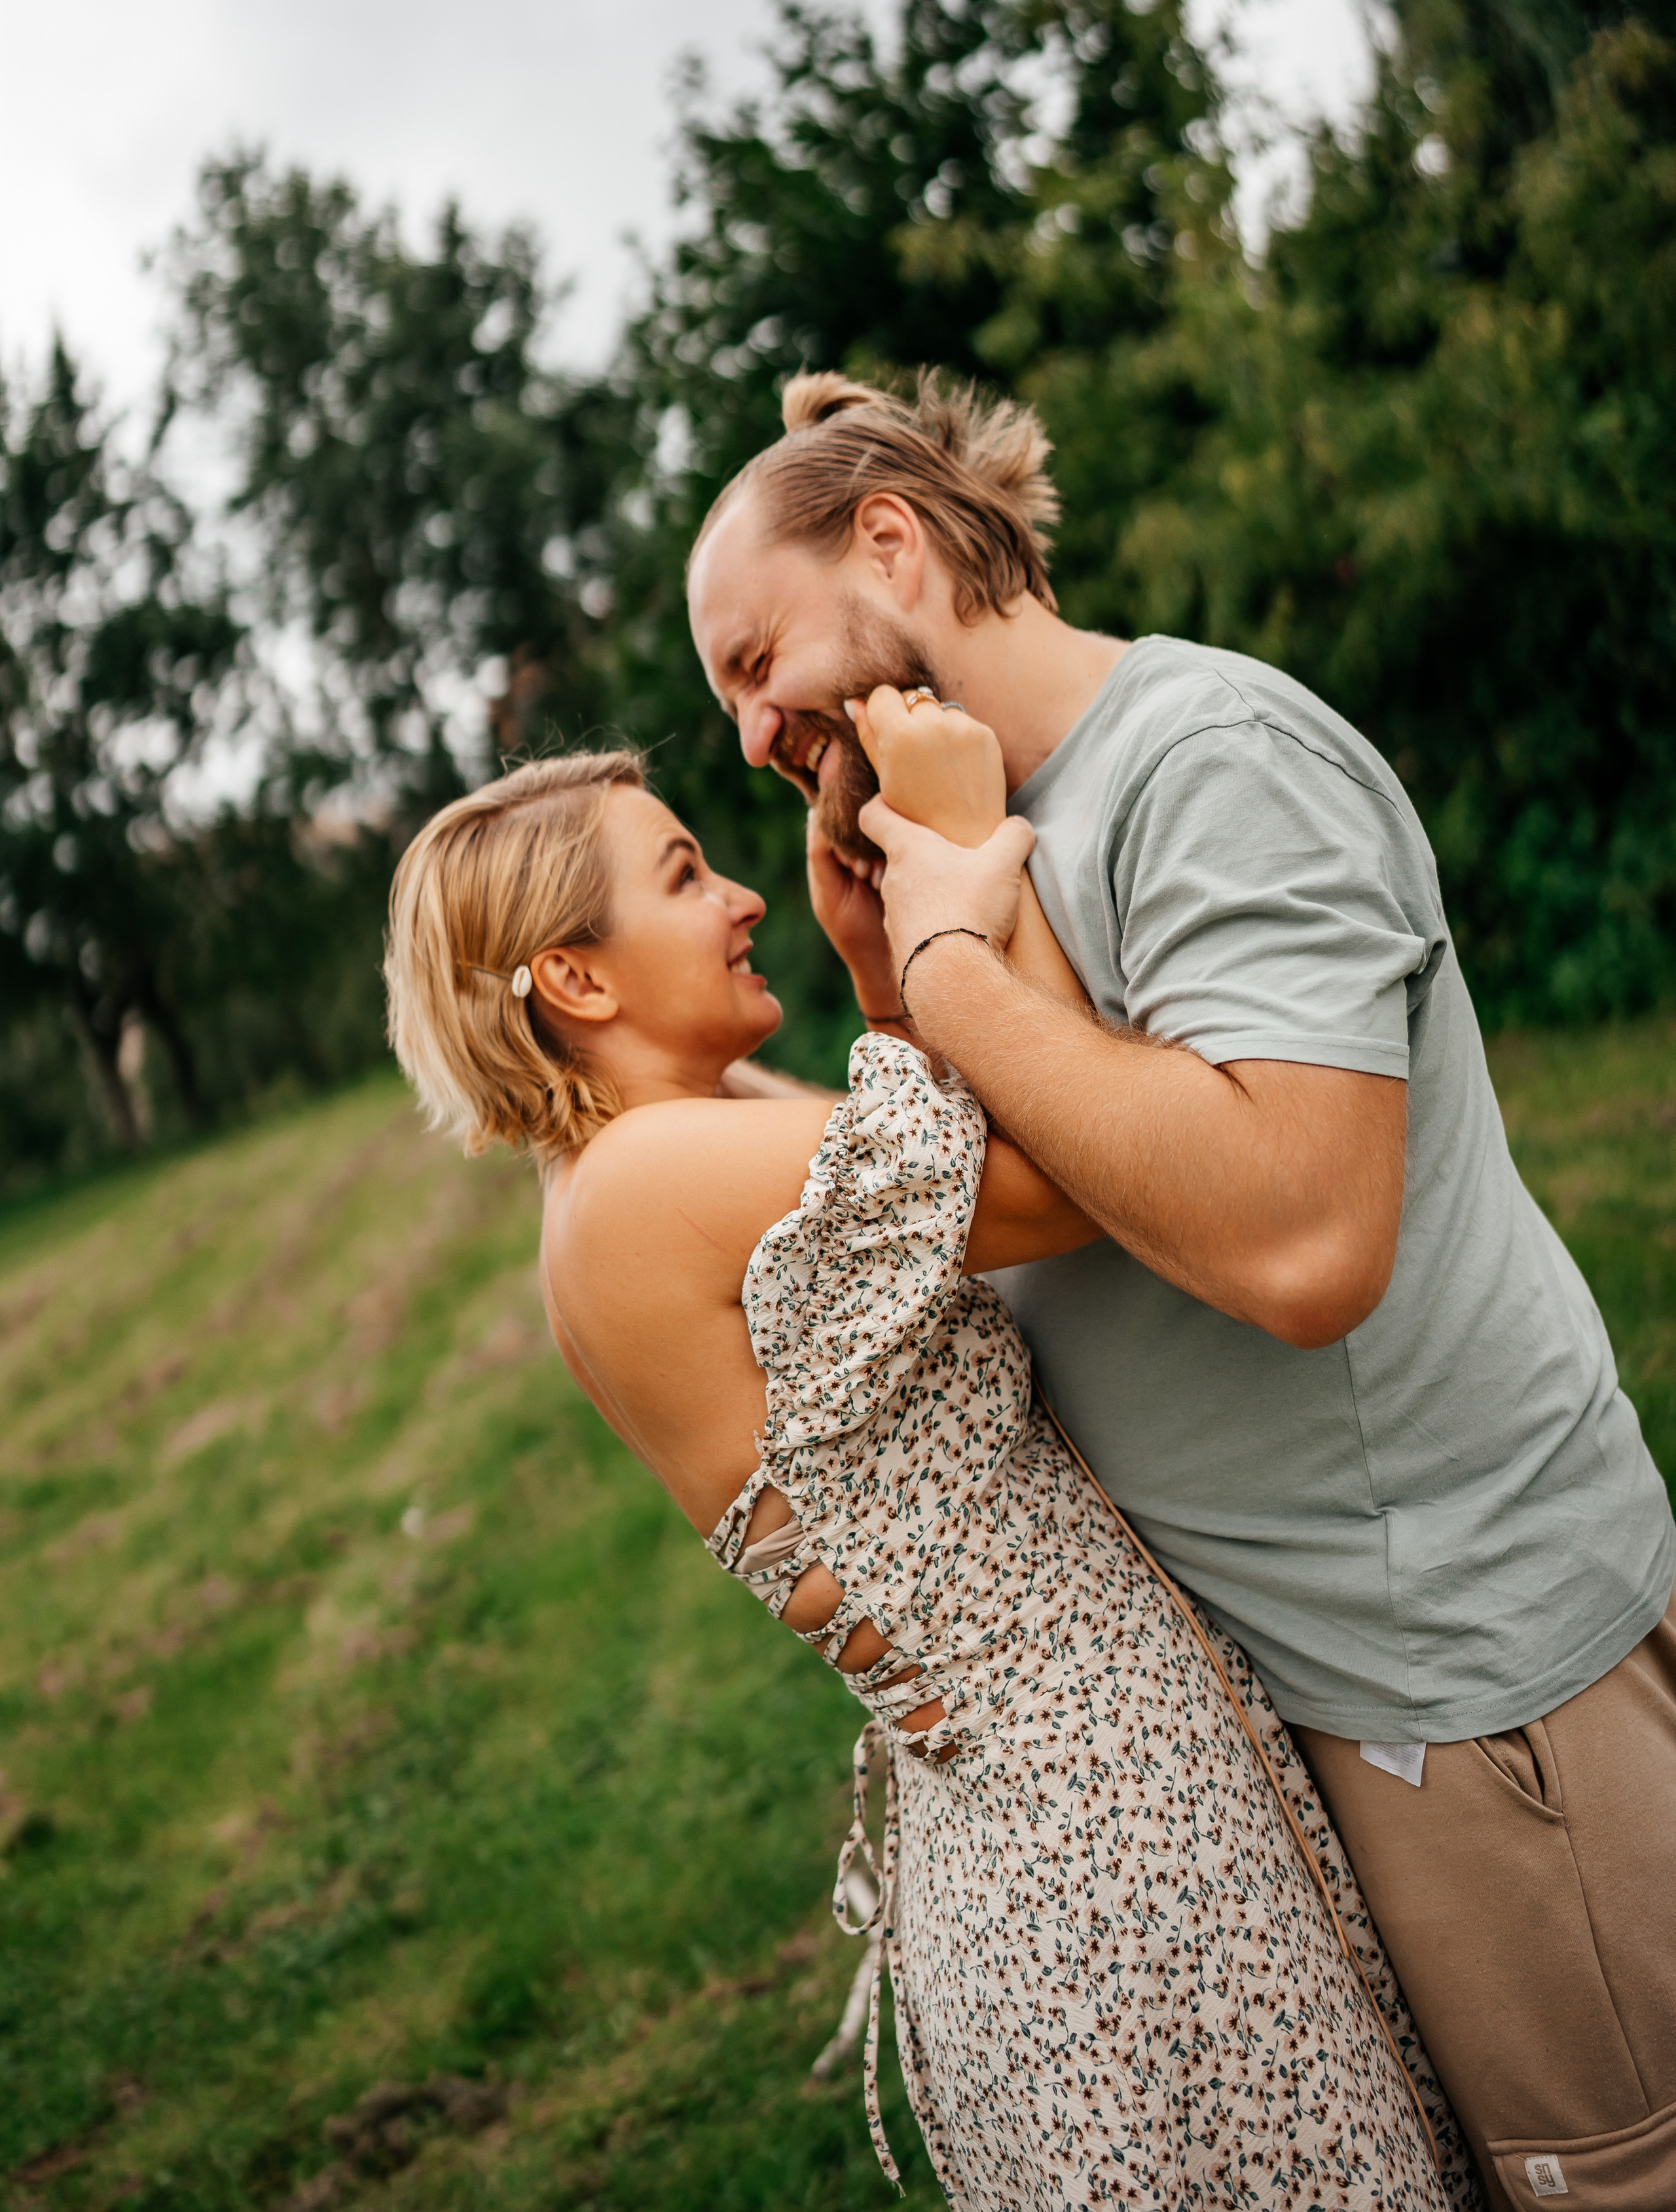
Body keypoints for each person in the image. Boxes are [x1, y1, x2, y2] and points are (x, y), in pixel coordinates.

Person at [686, 367, 1676, 2212]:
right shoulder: (984, 837)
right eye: (726, 699)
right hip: (1323, 1687)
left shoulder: (1206, 764)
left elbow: (1300, 1242)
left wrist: (960, 967)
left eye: (754, 657)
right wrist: (899, 973)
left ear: (891, 544)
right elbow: (1063, 1193)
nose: (749, 730)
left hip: (1462, 1685)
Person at [382, 741, 1476, 2209]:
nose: (742, 895)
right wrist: (958, 902)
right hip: (1101, 1824)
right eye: (686, 875)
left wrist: (877, 964)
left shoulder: (629, 1172)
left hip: (1025, 1830)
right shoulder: (657, 1180)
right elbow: (1091, 1173)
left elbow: (918, 1160)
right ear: (576, 981)